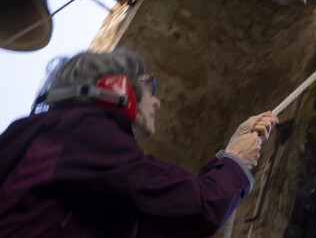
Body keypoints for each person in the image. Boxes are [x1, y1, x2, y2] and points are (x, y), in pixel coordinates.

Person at [0, 49, 278, 237]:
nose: (156, 101)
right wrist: (235, 163)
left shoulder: (46, 134)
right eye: (149, 88)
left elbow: (164, 221)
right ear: (115, 88)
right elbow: (199, 208)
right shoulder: (89, 133)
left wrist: (227, 159)